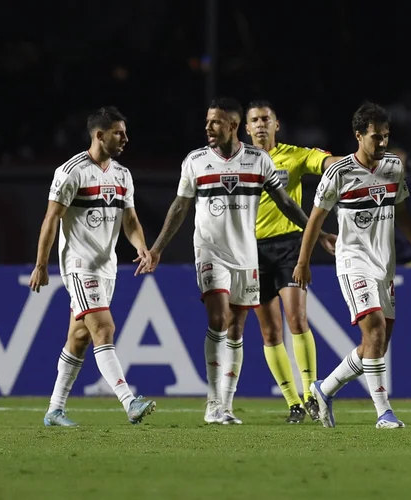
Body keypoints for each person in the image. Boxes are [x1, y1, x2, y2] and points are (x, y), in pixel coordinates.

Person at [141, 97, 335, 425]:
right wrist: (157, 247)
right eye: (207, 122)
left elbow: (285, 202)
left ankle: (226, 406)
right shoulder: (196, 161)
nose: (208, 127)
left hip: (249, 255)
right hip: (210, 251)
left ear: (232, 126)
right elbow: (178, 207)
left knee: (238, 327)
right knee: (219, 318)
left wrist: (320, 234)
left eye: (215, 122)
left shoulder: (258, 161)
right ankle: (213, 400)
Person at [293, 102, 411, 429]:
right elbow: (316, 220)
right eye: (375, 137)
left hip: (384, 265)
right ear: (358, 136)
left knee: (377, 345)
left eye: (386, 136)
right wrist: (304, 261)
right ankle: (384, 412)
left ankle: (324, 389)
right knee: (374, 330)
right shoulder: (338, 172)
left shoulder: (393, 168)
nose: (382, 143)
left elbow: (401, 210)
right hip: (353, 261)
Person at [29, 106, 156, 427]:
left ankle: (54, 410)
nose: (125, 138)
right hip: (79, 265)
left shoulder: (122, 175)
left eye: (125, 132)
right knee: (104, 328)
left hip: (106, 267)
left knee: (80, 338)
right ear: (99, 135)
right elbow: (51, 218)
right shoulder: (71, 171)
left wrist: (142, 247)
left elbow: (130, 221)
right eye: (119, 133)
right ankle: (129, 401)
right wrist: (41, 264)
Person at [244, 100, 342, 423]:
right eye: (255, 120)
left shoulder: (294, 155)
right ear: (246, 128)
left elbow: (326, 162)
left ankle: (311, 392)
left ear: (277, 125)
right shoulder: (240, 162)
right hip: (251, 251)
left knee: (297, 319)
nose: (260, 124)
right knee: (270, 332)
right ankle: (293, 404)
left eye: (266, 119)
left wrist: (356, 162)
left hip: (289, 247)